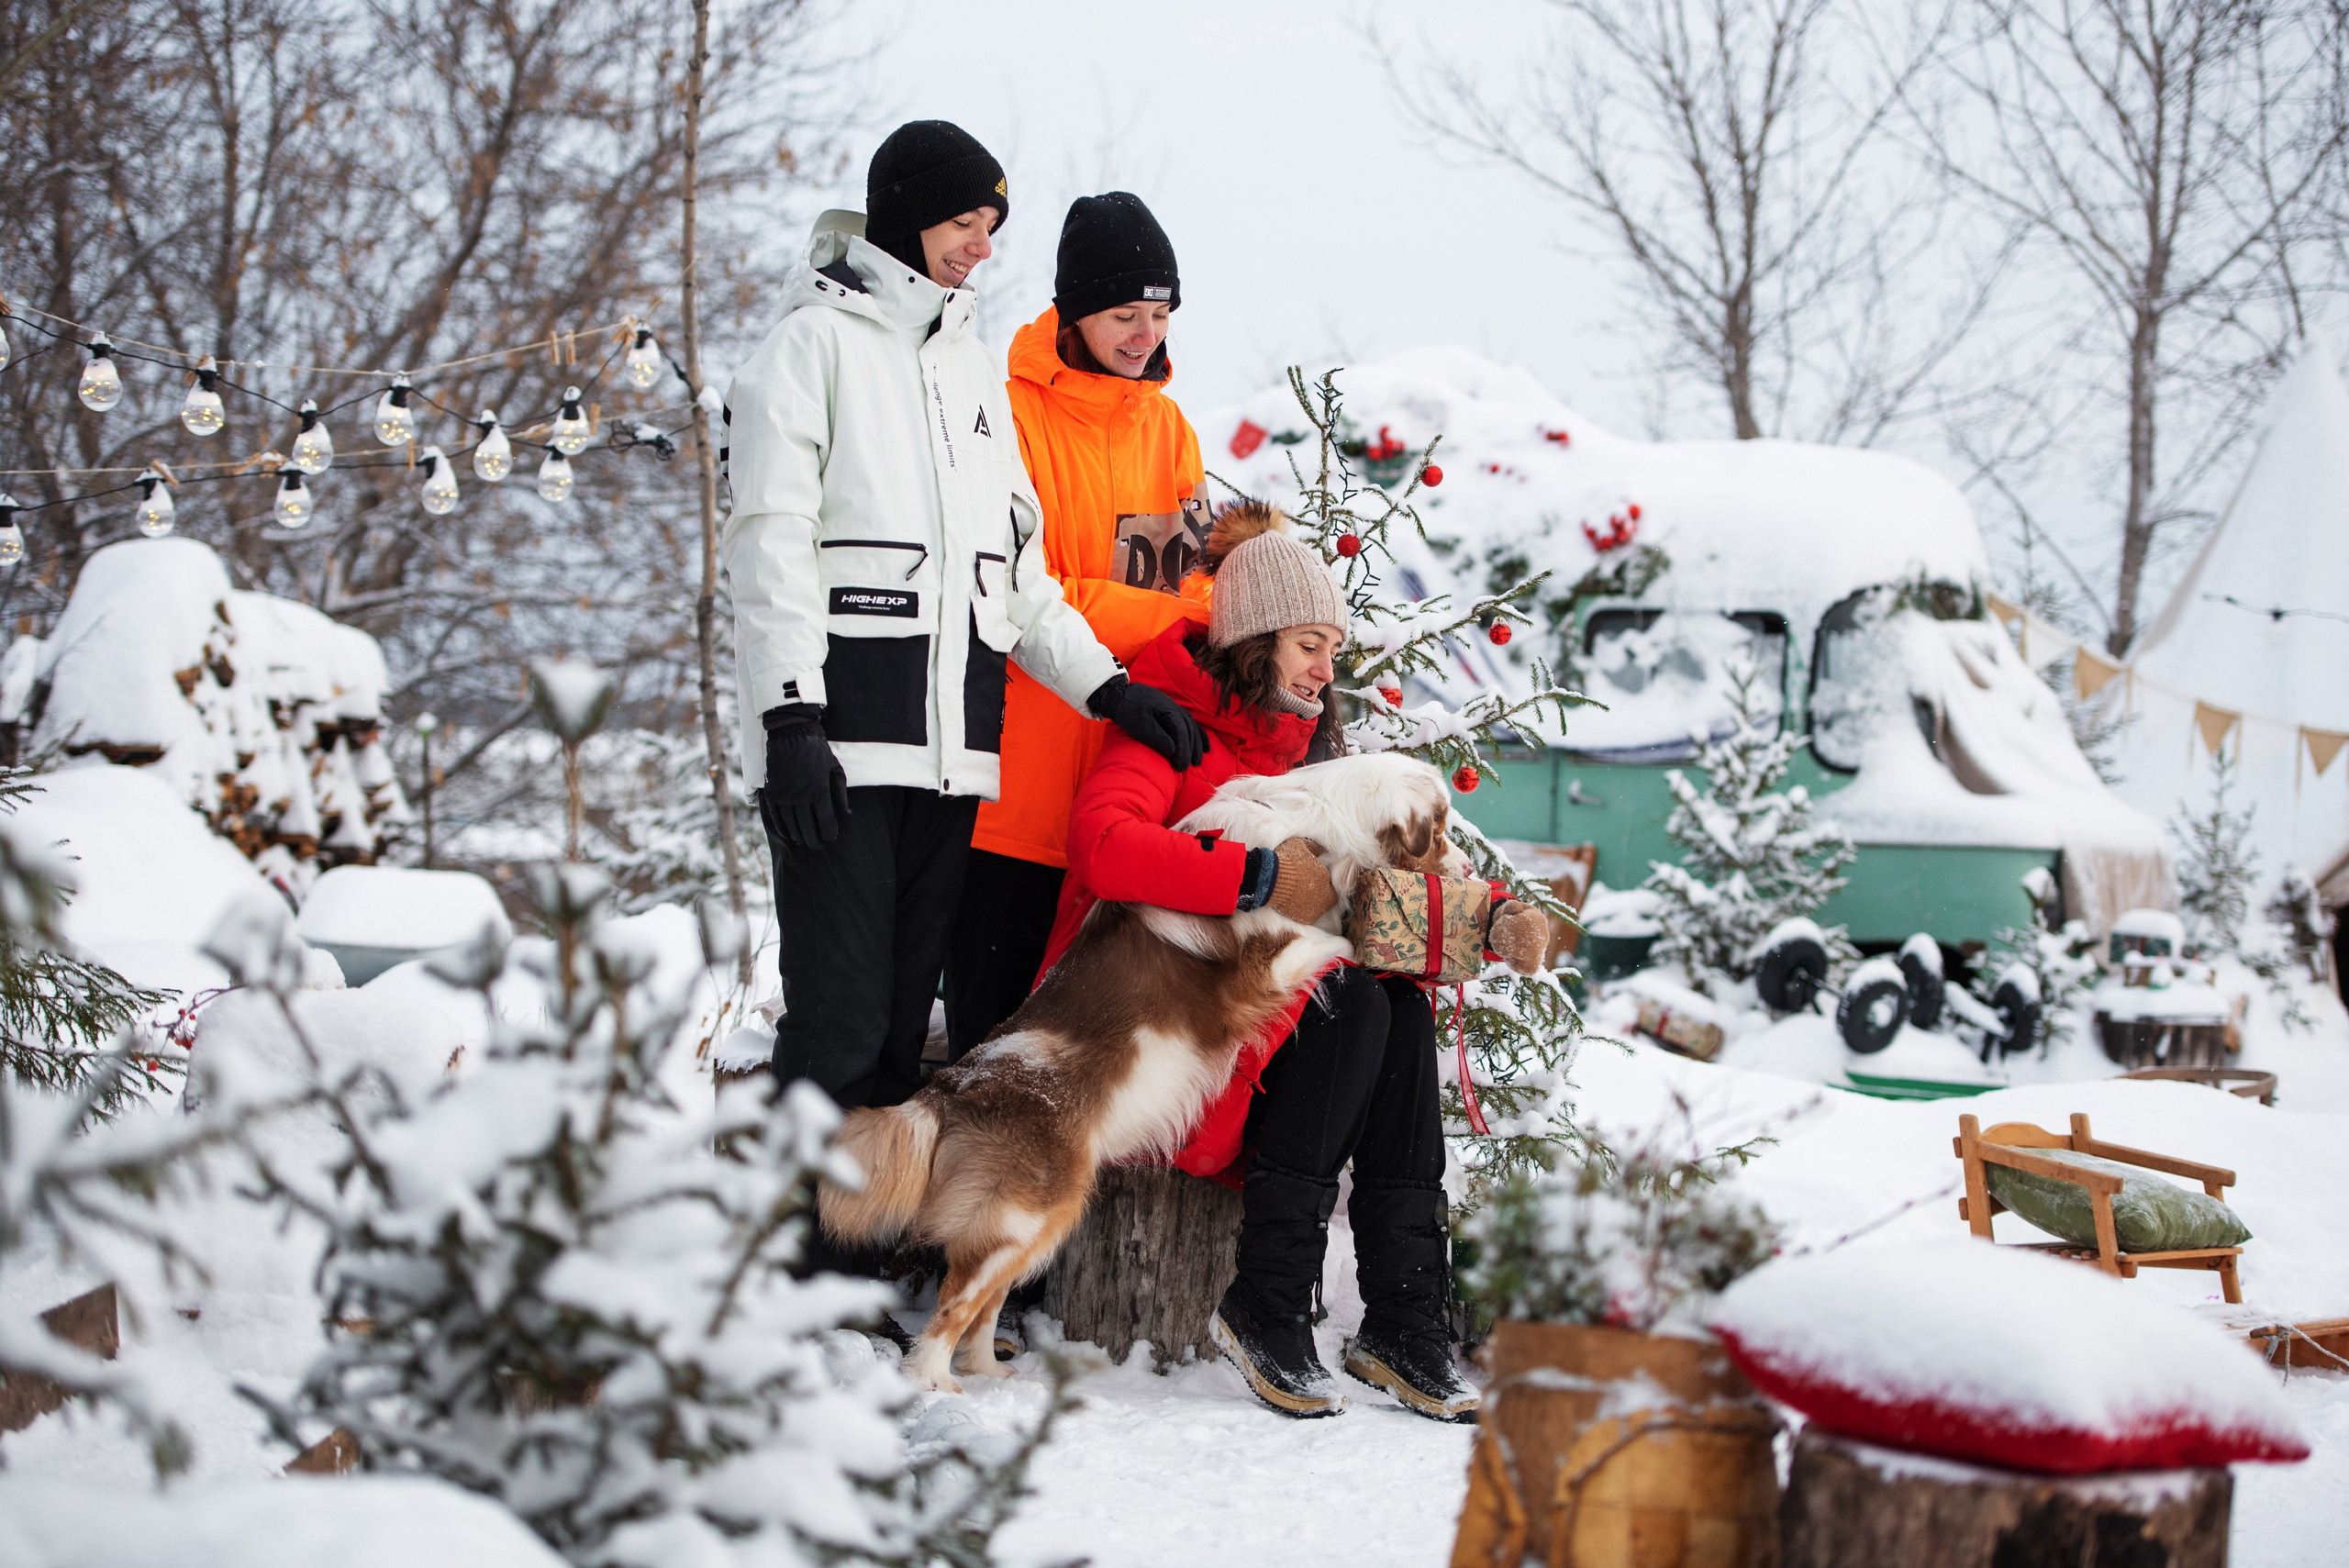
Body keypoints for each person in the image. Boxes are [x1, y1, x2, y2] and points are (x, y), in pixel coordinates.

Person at [721, 124, 1207, 1182]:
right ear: (902, 217)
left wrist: (1111, 689)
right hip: (839, 743)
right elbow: (767, 548)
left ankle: (860, 1260)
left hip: (952, 757)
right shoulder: (809, 350)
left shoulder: (966, 372)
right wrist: (789, 716)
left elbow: (1017, 578)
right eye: (960, 223)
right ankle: (786, 1275)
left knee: (900, 1033)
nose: (981, 246)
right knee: (840, 1023)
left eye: (991, 226)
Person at [1035, 502, 1551, 1422]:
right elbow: (1102, 846)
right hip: (1171, 1035)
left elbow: (1384, 899)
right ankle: (1267, 1300)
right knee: (1349, 996)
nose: (1325, 667)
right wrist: (1254, 872)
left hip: (1277, 1046)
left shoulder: (1314, 760)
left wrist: (1492, 918)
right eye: (1308, 643)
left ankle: (1402, 1315)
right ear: (1251, 639)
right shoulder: (1173, 730)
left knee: (1392, 1000)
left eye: (1333, 648)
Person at [944, 191, 1212, 1061]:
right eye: (1124, 313)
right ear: (1073, 310)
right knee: (987, 1058)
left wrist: (1101, 600)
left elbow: (1202, 592)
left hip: (1120, 813)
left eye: (1161, 312)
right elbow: (1025, 596)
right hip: (1008, 809)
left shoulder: (1169, 431)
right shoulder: (1008, 415)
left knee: (1085, 1071)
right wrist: (1141, 607)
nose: (1146, 334)